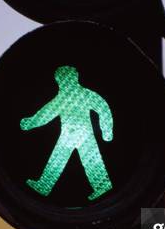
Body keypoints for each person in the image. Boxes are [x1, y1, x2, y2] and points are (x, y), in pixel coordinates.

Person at [20, 65, 113, 201]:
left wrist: (107, 130)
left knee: (71, 160)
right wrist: (31, 122)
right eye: (61, 80)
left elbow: (102, 107)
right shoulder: (73, 96)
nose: (62, 82)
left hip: (79, 134)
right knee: (63, 159)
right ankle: (45, 185)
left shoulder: (77, 95)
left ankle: (101, 185)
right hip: (75, 134)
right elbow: (46, 113)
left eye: (63, 79)